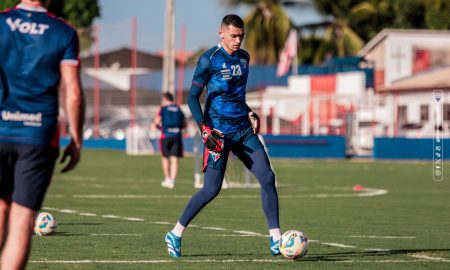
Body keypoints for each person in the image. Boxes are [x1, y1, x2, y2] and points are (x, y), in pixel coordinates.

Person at [164, 14, 281, 258]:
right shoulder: (209, 60)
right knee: (211, 190)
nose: (238, 40)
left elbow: (238, 96)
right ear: (221, 33)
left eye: (241, 36)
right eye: (233, 36)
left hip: (243, 130)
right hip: (217, 134)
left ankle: (276, 239)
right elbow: (192, 98)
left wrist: (251, 113)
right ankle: (175, 233)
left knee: (268, 177)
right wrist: (203, 129)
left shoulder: (245, 58)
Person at [0, 0, 84, 269]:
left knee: (1, 209)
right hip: (38, 134)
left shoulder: (1, 22)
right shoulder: (63, 32)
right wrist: (76, 139)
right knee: (23, 222)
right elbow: (74, 95)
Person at [151, 92, 186, 189]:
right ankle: (172, 181)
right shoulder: (178, 109)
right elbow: (185, 124)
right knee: (175, 159)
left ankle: (167, 178)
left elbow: (156, 122)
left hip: (165, 136)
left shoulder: (163, 109)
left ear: (165, 99)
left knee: (165, 158)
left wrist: (157, 127)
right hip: (177, 136)